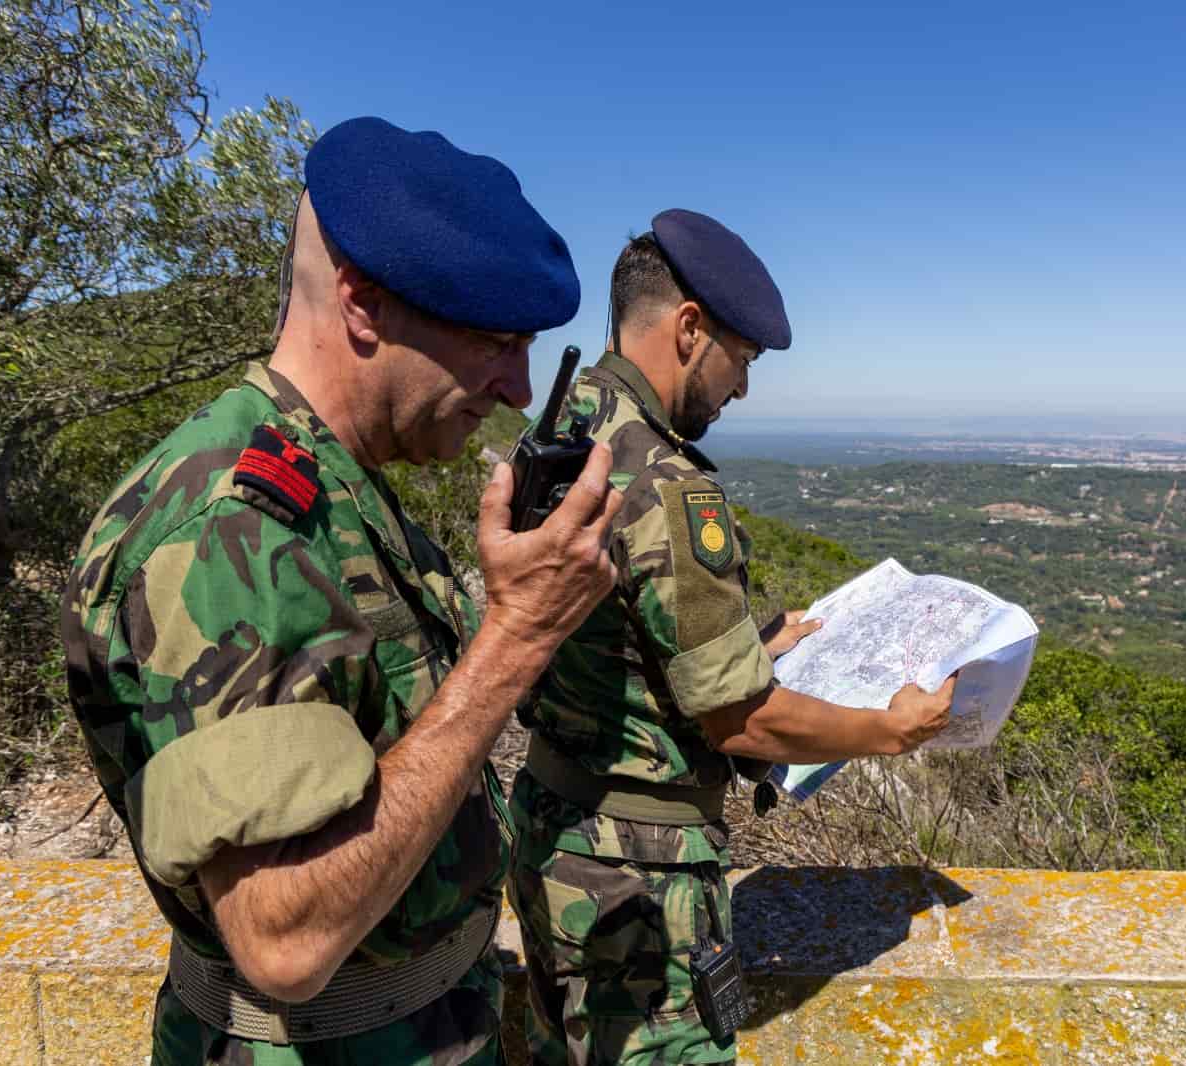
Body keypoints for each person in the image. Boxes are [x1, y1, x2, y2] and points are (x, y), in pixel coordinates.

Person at [59, 116, 623, 1065]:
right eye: (496, 340)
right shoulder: (231, 527)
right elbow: (285, 936)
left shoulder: (328, 482)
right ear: (361, 302)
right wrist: (516, 639)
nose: (520, 389)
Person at [508, 209, 955, 1065]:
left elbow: (608, 631)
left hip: (551, 833)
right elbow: (742, 722)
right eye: (741, 361)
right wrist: (888, 730)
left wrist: (754, 640)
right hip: (637, 877)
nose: (742, 389)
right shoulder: (671, 486)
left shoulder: (570, 427)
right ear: (688, 330)